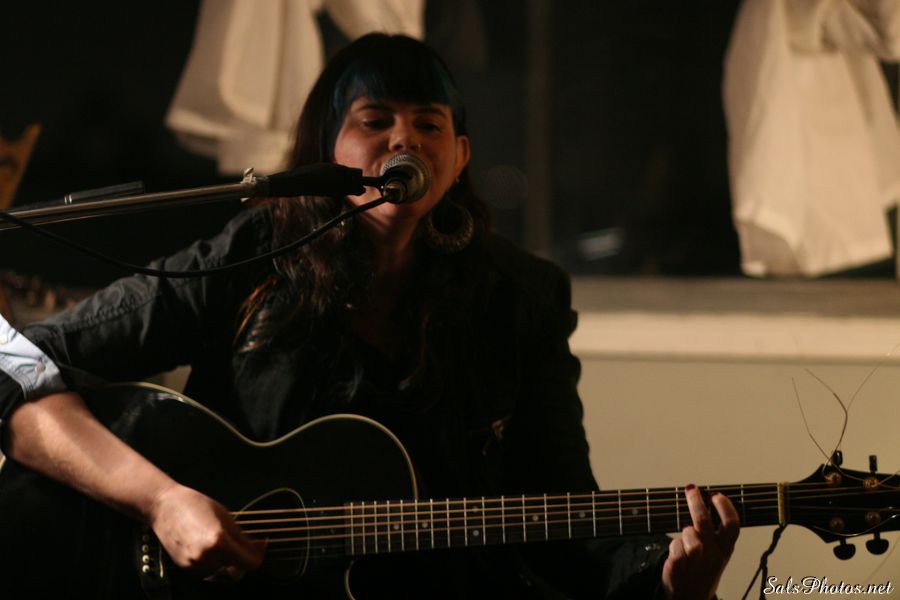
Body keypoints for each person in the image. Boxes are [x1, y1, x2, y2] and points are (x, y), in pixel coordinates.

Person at [0, 33, 738, 598]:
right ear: (325, 151)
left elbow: (565, 515)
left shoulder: (522, 300)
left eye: (428, 124)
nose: (403, 140)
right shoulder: (251, 257)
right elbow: (14, 364)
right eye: (375, 119)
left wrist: (671, 582)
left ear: (459, 158)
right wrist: (162, 501)